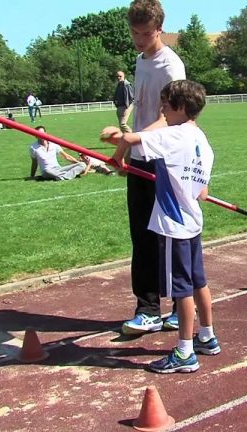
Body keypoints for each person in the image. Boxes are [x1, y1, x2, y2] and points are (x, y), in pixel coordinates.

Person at [102, 79, 217, 373]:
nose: (161, 109)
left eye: (165, 104)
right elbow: (202, 193)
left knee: (182, 289)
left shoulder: (173, 135)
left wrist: (116, 161)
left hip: (174, 225)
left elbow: (129, 141)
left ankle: (184, 353)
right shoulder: (203, 141)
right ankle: (207, 336)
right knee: (198, 281)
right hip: (193, 222)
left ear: (180, 107)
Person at [112, 0, 187, 335]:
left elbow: (168, 118)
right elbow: (143, 112)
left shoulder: (170, 67)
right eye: (134, 33)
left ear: (159, 30)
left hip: (164, 160)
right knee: (141, 236)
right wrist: (126, 150)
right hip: (141, 155)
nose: (139, 40)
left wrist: (133, 140)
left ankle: (178, 305)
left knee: (165, 237)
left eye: (145, 34)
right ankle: (147, 309)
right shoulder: (140, 62)